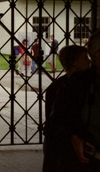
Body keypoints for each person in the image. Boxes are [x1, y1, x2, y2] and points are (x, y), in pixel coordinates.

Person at [49, 31, 100, 172]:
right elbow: (56, 122)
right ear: (95, 56)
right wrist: (73, 137)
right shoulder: (76, 84)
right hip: (91, 159)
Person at [42, 45, 90, 172]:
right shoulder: (77, 86)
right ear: (73, 62)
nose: (89, 61)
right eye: (85, 58)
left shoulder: (56, 86)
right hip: (64, 142)